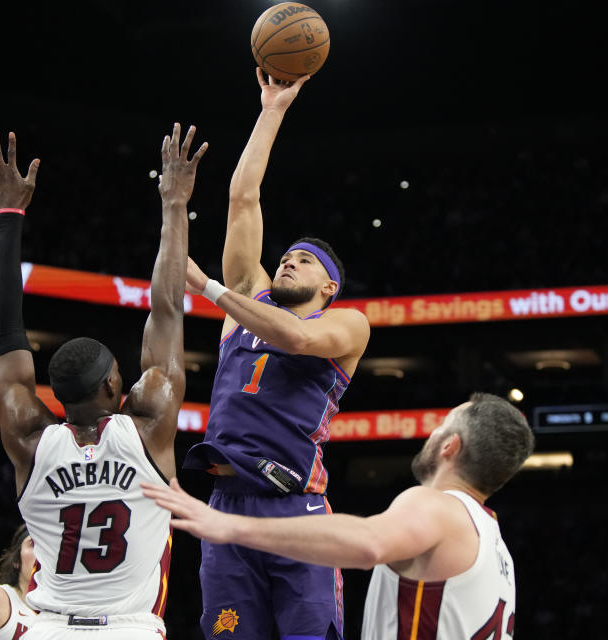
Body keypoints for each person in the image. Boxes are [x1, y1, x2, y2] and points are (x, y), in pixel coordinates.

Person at [0, 123, 206, 639]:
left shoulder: (30, 440)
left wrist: (9, 217)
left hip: (47, 629)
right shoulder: (147, 428)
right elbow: (167, 310)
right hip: (128, 629)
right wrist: (175, 202)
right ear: (111, 389)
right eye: (121, 377)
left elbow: (5, 332)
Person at [180, 68, 371, 639]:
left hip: (297, 510)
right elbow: (243, 200)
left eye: (304, 260)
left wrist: (210, 290)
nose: (287, 260)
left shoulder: (345, 324)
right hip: (226, 502)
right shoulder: (249, 299)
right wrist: (272, 110)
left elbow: (298, 340)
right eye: (285, 255)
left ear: (329, 285)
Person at [146, 393, 536, 639]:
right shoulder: (496, 546)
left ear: (450, 446)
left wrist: (231, 525)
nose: (431, 434)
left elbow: (368, 543)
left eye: (441, 427)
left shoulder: (437, 507)